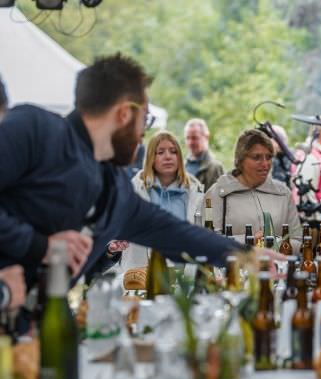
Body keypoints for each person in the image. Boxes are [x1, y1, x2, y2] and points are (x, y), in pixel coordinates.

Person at [0, 54, 257, 294]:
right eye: (143, 120)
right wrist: (40, 246)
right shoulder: (35, 130)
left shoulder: (115, 188)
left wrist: (245, 255)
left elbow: (172, 232)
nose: (142, 134)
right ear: (124, 114)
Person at [117, 130, 204, 271]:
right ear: (151, 157)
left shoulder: (195, 191)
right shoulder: (133, 190)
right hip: (141, 275)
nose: (168, 157)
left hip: (184, 275)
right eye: (161, 152)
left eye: (173, 151)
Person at [205, 129, 301, 250]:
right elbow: (206, 240)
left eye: (269, 157)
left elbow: (298, 241)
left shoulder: (283, 193)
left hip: (276, 268)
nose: (265, 164)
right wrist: (250, 240)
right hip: (234, 267)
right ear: (240, 160)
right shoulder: (218, 193)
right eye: (257, 157)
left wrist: (276, 243)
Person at [184, 118, 224, 191]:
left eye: (194, 138)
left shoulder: (215, 168)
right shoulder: (181, 166)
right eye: (187, 138)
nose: (190, 142)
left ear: (206, 137)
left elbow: (216, 200)